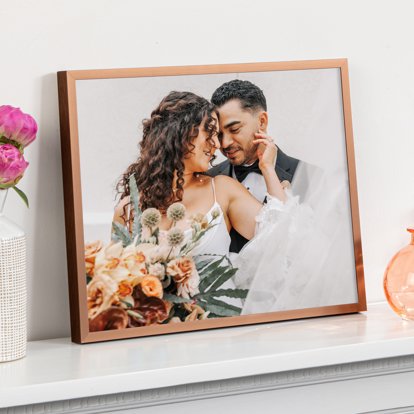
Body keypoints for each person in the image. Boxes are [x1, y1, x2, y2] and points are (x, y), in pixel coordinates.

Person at [113, 91, 287, 259]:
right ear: (181, 132)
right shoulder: (127, 209)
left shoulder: (221, 189)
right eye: (210, 132)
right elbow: (115, 274)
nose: (218, 144)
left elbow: (280, 239)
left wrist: (267, 168)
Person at [209, 79, 302, 253]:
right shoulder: (209, 180)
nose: (225, 143)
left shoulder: (310, 177)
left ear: (262, 122)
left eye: (235, 129)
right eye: (219, 134)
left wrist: (267, 168)